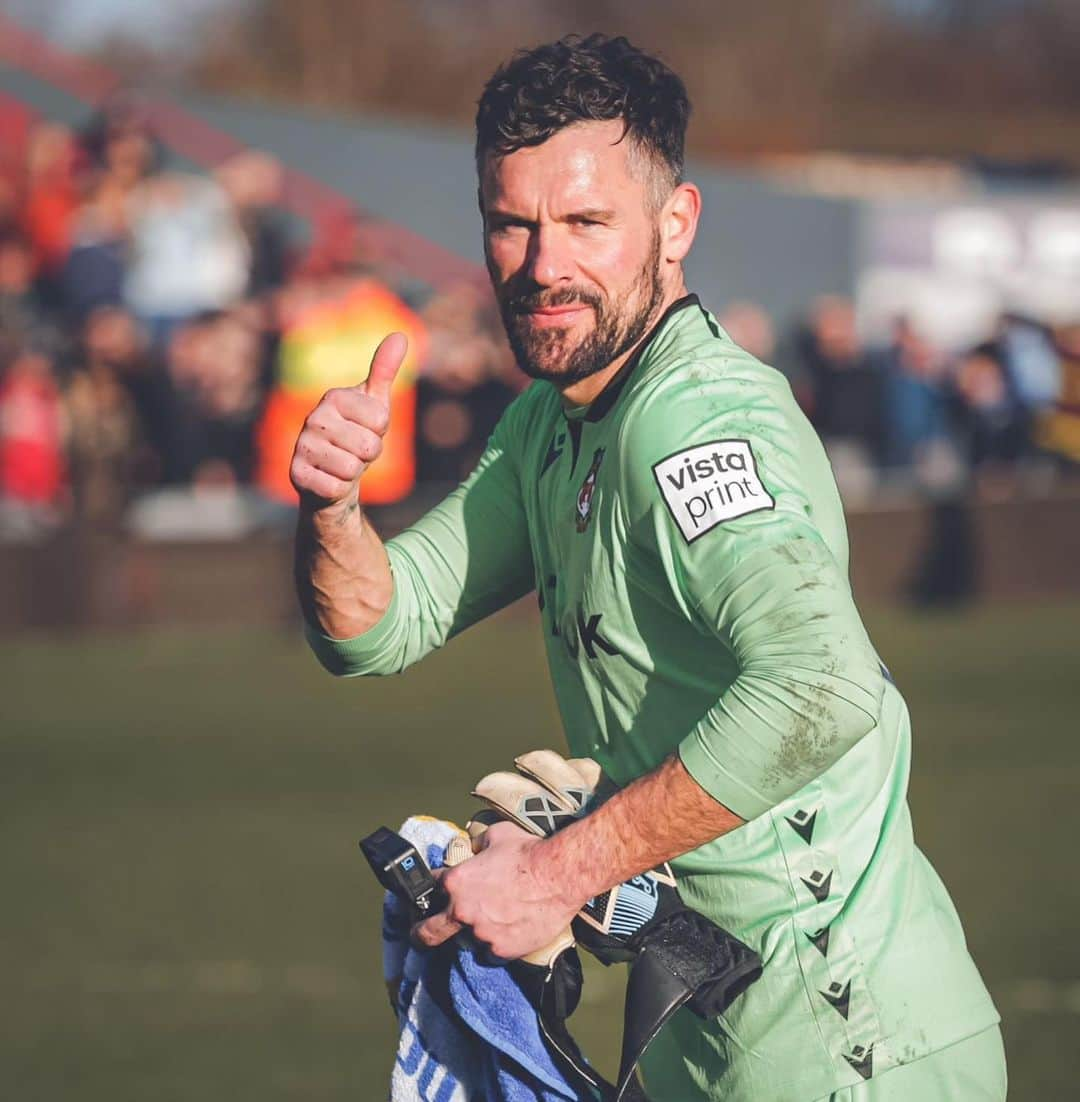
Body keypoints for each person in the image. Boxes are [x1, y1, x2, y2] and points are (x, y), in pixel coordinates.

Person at [291, 34, 1004, 1102]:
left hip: (853, 1054)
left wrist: (556, 872)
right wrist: (331, 507)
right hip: (711, 1048)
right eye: (512, 225)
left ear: (675, 226)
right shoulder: (550, 419)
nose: (543, 266)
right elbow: (371, 627)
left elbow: (826, 681)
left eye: (586, 222)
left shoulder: (693, 420)